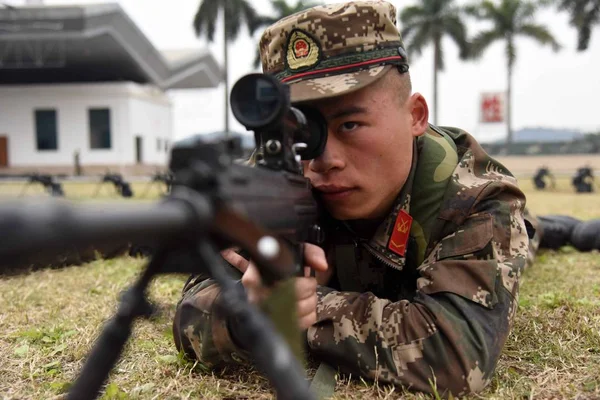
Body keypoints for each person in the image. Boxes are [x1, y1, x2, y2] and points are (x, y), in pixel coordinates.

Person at [172, 1, 536, 397]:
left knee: (529, 239)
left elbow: (455, 356)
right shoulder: (272, 176)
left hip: (471, 234)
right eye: (302, 132)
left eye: (349, 124)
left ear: (415, 115)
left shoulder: (476, 194)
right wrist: (243, 310)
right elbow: (190, 316)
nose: (323, 160)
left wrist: (300, 310)